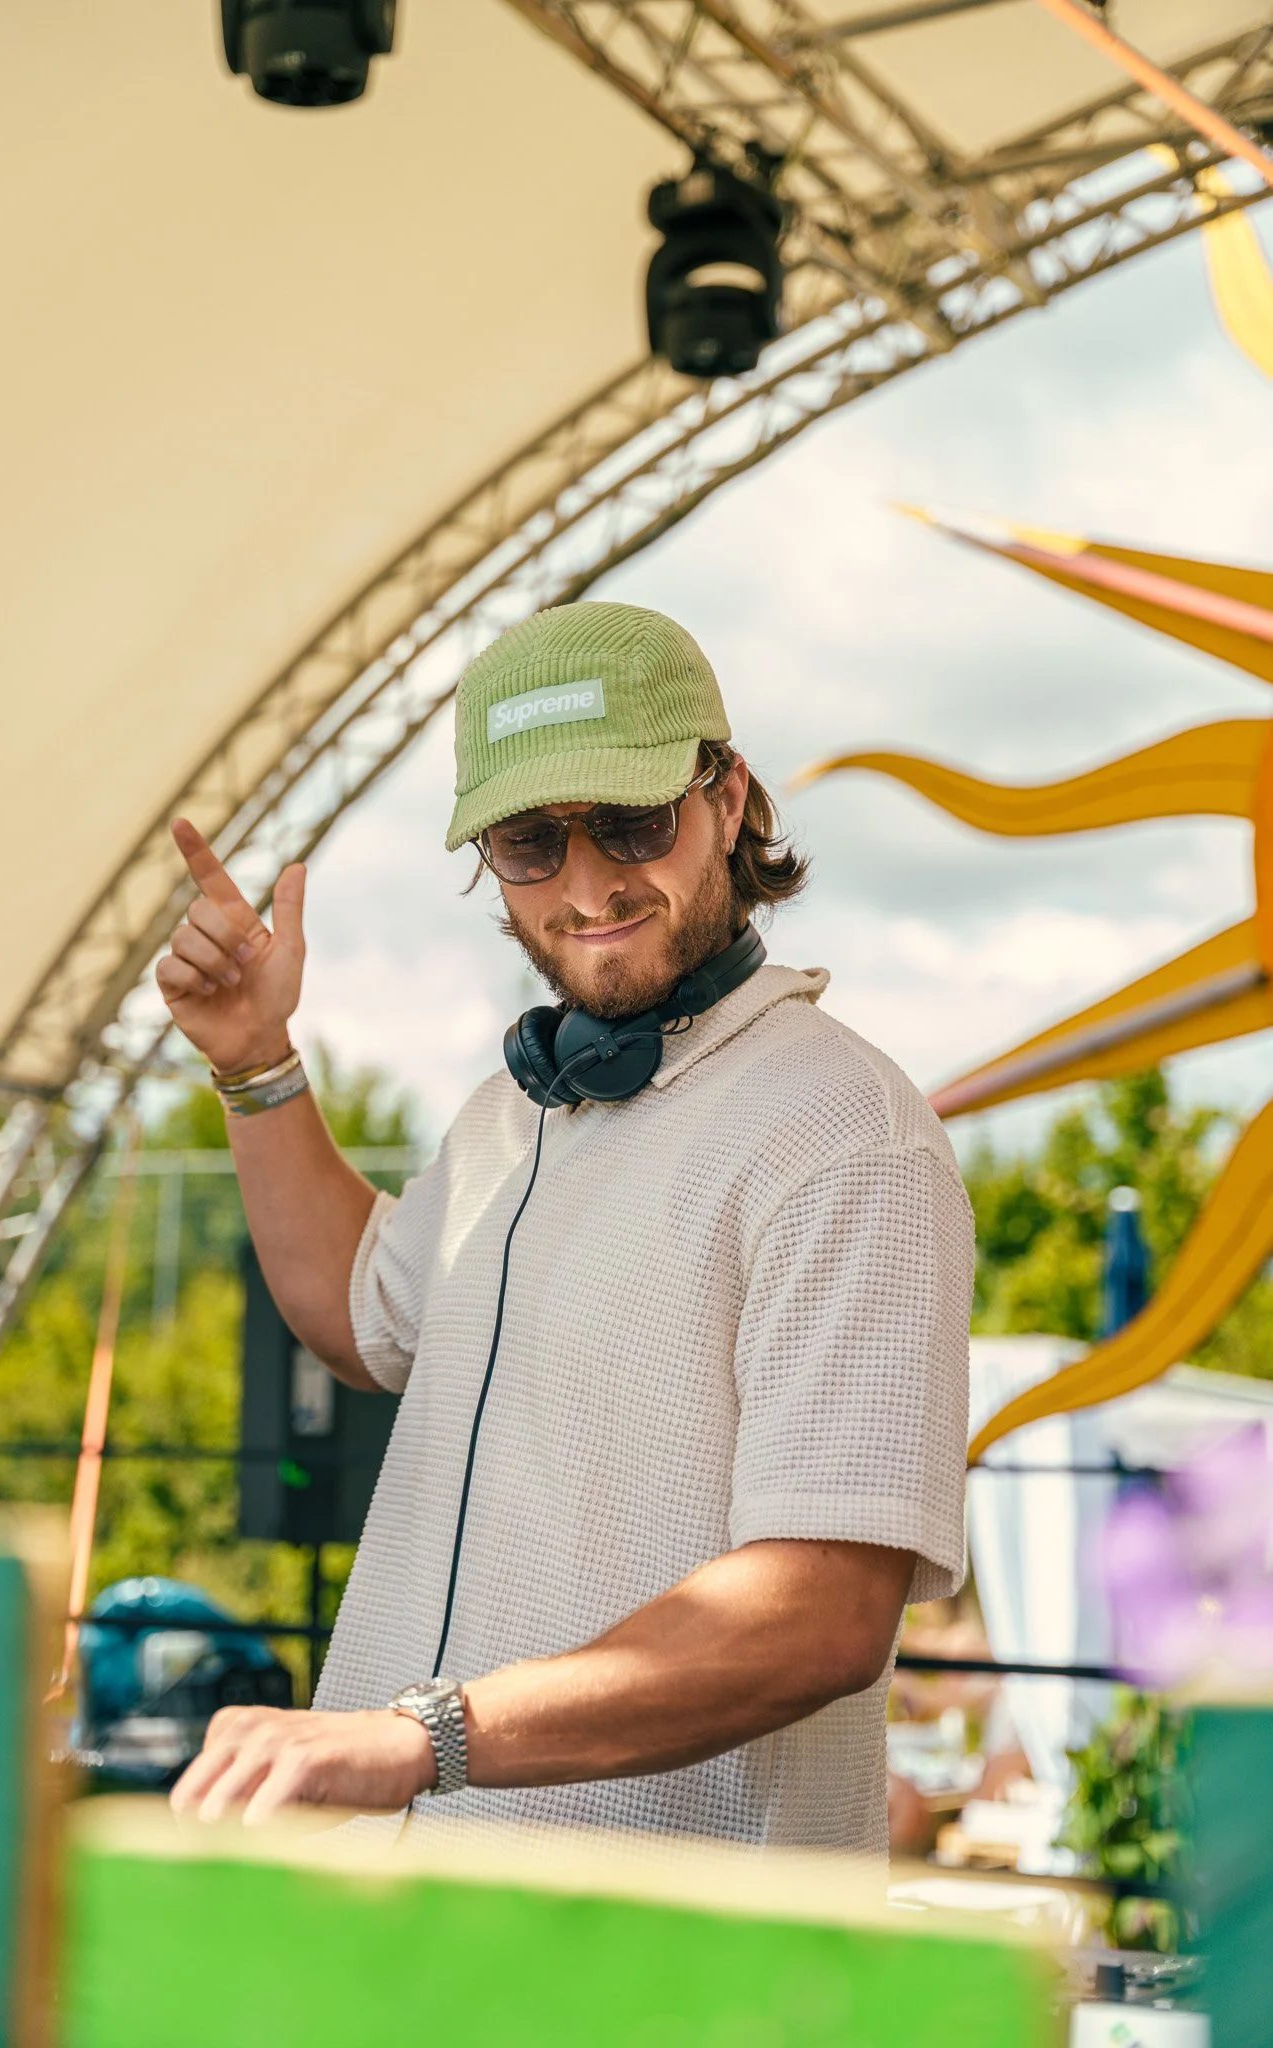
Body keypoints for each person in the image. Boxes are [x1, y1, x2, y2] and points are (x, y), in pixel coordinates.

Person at [162, 601, 973, 1849]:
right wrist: (257, 1060)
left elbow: (820, 1612)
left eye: (634, 822)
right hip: (419, 1934)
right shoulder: (511, 1115)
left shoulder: (846, 1133)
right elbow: (354, 1307)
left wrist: (421, 1736)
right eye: (533, 840)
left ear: (729, 796)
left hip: (661, 1978)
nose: (590, 884)